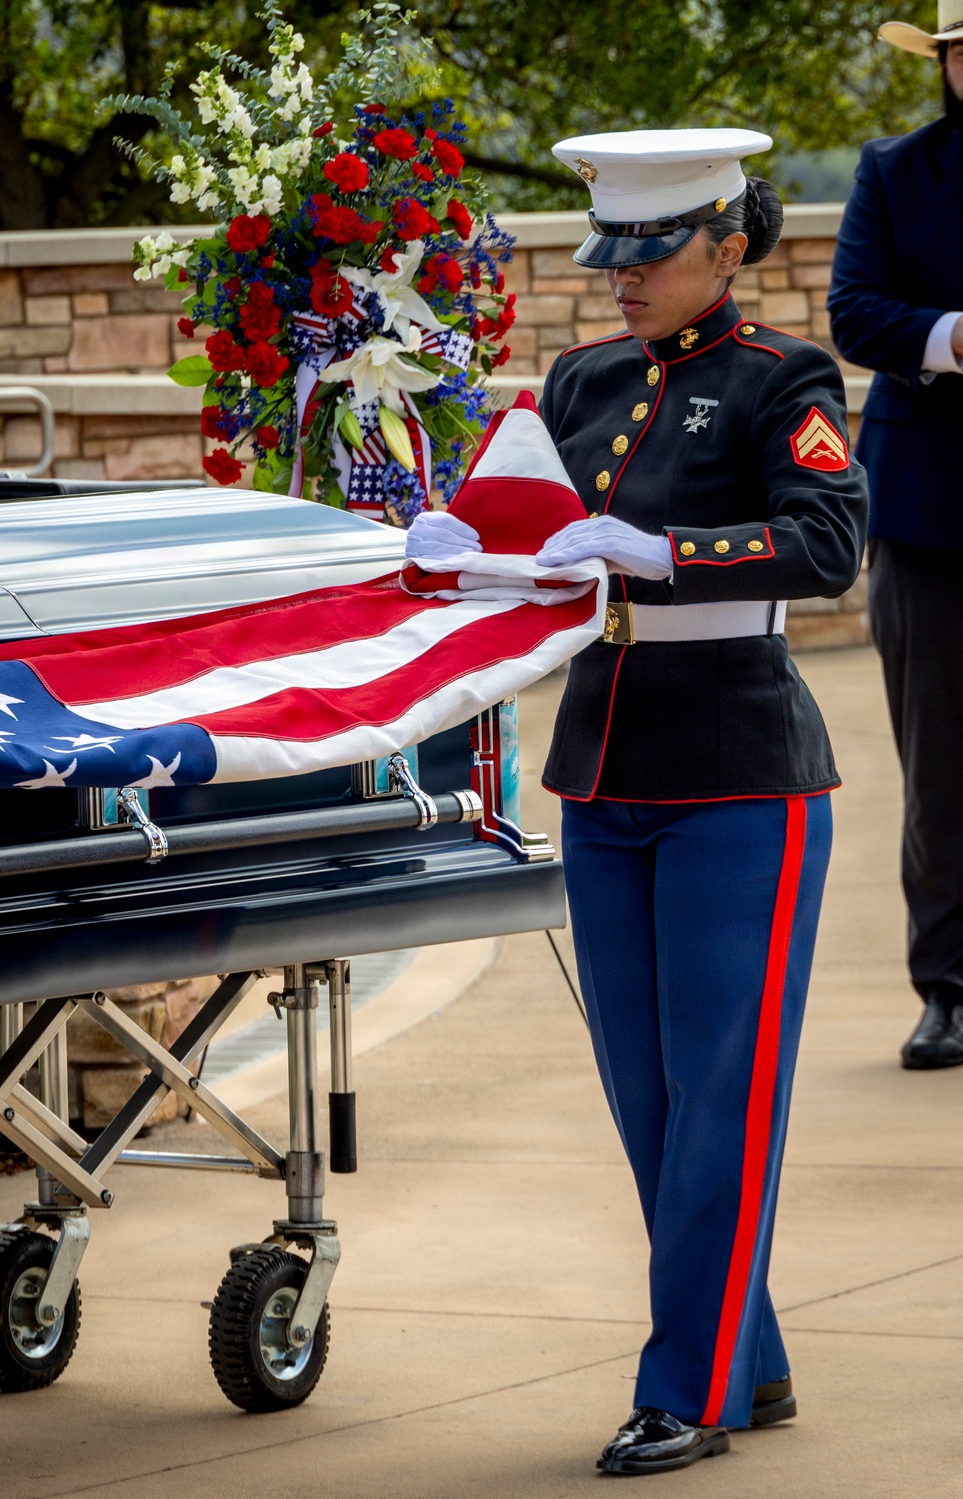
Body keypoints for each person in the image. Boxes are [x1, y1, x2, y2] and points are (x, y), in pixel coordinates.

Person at [408, 128, 868, 1475]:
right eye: (609, 249)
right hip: (607, 761)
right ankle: (751, 1349)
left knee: (720, 1093)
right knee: (650, 1100)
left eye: (650, 251)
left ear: (729, 245)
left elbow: (833, 542)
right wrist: (457, 547)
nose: (620, 276)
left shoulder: (788, 377)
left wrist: (662, 550)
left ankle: (692, 1384)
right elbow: (532, 539)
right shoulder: (583, 378)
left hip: (740, 768)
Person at [828, 4, 963, 1070]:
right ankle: (949, 986)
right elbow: (855, 311)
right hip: (930, 511)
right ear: (945, 65)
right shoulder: (893, 169)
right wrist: (954, 336)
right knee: (941, 757)